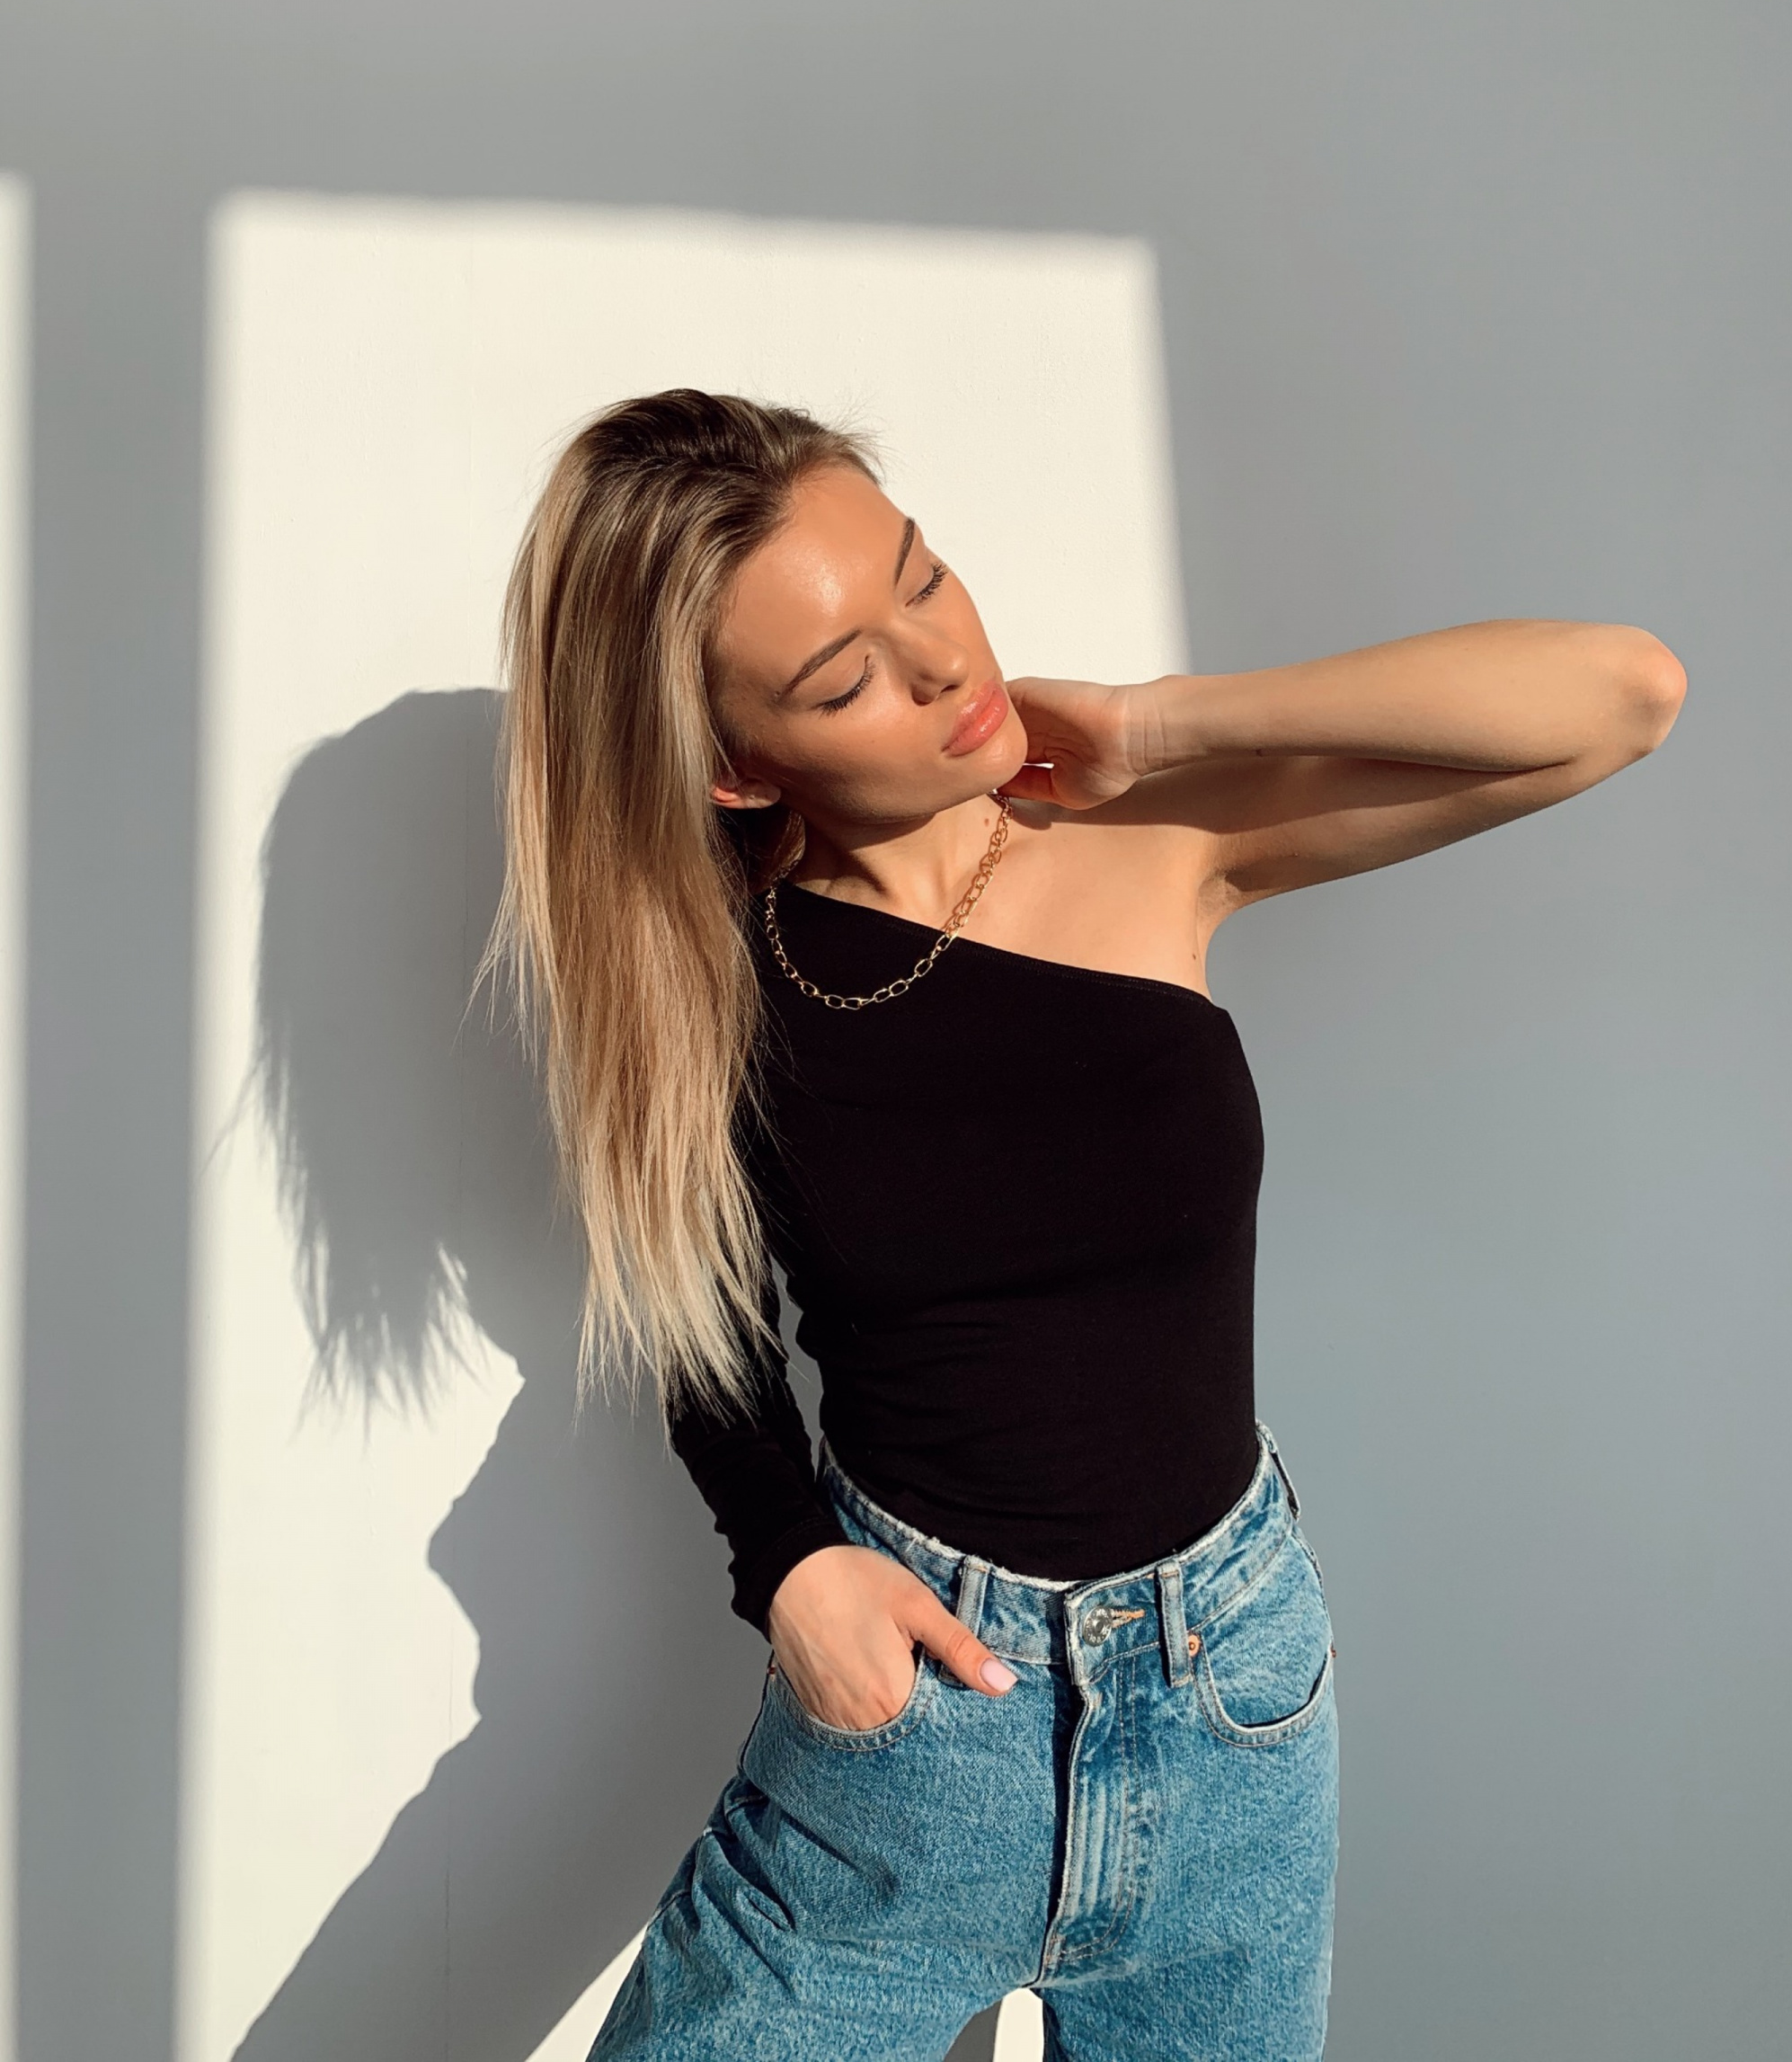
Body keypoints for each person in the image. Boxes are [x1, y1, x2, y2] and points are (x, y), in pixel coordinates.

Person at [482, 388, 1685, 2061]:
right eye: (841, 679)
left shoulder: (1150, 844)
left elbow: (1617, 697)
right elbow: (696, 1318)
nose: (940, 663)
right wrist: (791, 1563)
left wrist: (1158, 722)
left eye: (922, 576)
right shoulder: (705, 980)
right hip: (918, 1745)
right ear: (737, 767)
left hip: (1233, 1707)